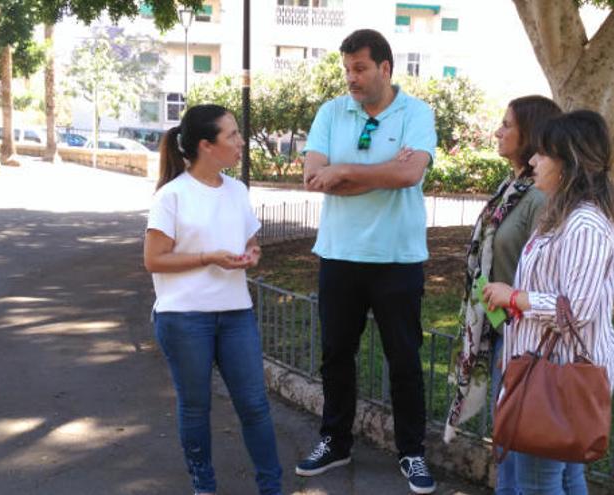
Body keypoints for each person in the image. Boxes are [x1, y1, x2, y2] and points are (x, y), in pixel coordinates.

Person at [295, 29, 438, 494]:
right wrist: (384, 173)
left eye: (360, 68)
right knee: (336, 355)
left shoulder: (416, 113)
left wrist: (347, 170)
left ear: (385, 68)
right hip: (339, 254)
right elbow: (314, 177)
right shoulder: (332, 112)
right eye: (347, 69)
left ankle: (411, 452)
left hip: (398, 257)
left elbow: (412, 172)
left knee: (404, 360)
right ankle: (335, 441)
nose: (351, 78)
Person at [143, 104, 283, 495]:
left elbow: (250, 241)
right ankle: (204, 486)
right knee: (196, 408)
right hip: (184, 318)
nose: (241, 142)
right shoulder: (171, 196)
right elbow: (154, 260)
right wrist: (208, 257)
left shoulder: (237, 190)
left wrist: (251, 254)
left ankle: (271, 488)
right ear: (206, 145)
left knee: (255, 406)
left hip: (236, 313)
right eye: (232, 135)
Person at [482, 110, 614, 495]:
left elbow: (575, 311)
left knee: (538, 484)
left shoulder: (585, 225)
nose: (532, 161)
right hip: (545, 367)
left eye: (542, 154)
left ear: (567, 163)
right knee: (560, 476)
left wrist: (516, 297)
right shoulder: (562, 217)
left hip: (558, 375)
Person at [442, 96, 561, 495]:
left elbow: (548, 278)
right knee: (510, 447)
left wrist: (508, 313)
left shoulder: (539, 197)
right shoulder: (512, 188)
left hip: (526, 342)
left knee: (524, 457)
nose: (498, 131)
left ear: (529, 134)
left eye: (507, 124)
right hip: (503, 332)